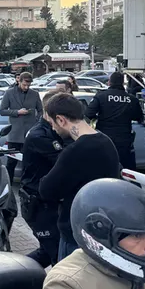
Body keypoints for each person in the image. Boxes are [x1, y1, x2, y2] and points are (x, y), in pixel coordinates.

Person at [39, 93, 120, 261]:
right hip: (103, 229)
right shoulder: (106, 141)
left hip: (76, 233)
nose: (53, 128)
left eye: (53, 123)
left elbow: (47, 190)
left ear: (61, 120)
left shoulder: (74, 151)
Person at [20, 91, 66, 268]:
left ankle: (15, 274)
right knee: (55, 252)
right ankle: (15, 274)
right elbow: (64, 161)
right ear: (48, 113)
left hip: (49, 201)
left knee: (50, 251)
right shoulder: (40, 135)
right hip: (38, 203)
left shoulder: (52, 130)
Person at [85, 71, 143, 171]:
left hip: (104, 139)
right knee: (126, 171)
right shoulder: (131, 99)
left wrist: (100, 118)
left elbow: (88, 114)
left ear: (109, 83)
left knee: (104, 169)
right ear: (122, 83)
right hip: (124, 140)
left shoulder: (101, 96)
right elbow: (139, 117)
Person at [0, 72, 42, 185]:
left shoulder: (34, 94)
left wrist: (37, 120)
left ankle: (26, 185)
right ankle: (8, 184)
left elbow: (41, 110)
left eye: (28, 85)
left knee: (28, 163)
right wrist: (17, 112)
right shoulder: (9, 93)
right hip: (14, 134)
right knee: (11, 162)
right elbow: (2, 111)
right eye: (24, 85)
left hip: (29, 134)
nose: (26, 87)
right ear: (19, 81)